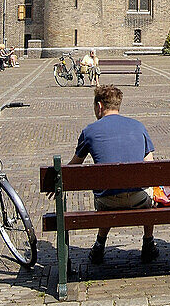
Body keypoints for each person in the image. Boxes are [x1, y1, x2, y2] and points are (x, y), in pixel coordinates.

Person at [68, 85, 159, 265]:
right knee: (148, 194)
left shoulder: (89, 131)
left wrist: (56, 180)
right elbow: (150, 166)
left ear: (99, 106)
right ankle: (148, 242)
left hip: (107, 201)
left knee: (105, 197)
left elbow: (73, 167)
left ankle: (100, 244)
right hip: (137, 199)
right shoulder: (138, 126)